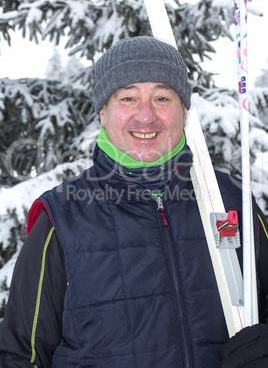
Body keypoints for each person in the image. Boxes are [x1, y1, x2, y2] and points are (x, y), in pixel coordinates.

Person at [0, 36, 268, 368]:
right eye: (127, 98)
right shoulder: (62, 218)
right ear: (103, 113)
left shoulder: (232, 201)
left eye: (162, 98)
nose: (145, 116)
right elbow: (19, 356)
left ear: (184, 112)